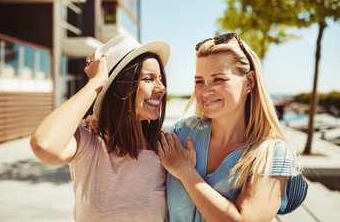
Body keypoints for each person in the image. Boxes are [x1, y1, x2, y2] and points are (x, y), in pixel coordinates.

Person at [158, 32, 308, 222]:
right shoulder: (182, 131)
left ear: (250, 82)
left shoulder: (271, 153)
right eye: (199, 81)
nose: (205, 91)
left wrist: (184, 171)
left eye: (219, 79)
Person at [30, 34, 170, 222]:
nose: (162, 88)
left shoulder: (165, 148)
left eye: (160, 78)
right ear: (120, 86)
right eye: (148, 78)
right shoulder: (91, 142)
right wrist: (96, 82)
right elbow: (44, 144)